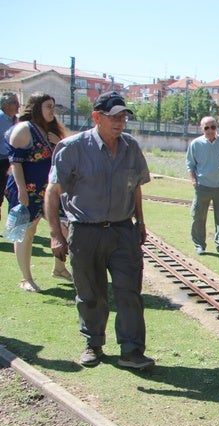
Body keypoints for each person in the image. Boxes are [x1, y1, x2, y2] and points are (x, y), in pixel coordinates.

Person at [44, 91, 155, 370]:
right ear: (97, 117)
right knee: (90, 292)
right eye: (114, 117)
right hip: (85, 232)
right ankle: (93, 344)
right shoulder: (73, 148)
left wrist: (140, 223)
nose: (120, 122)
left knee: (129, 291)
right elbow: (52, 192)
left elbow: (136, 187)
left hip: (122, 231)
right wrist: (56, 234)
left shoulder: (131, 147)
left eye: (123, 117)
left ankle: (131, 351)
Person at [5, 93, 72, 291]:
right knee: (26, 231)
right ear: (36, 108)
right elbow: (15, 163)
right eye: (48, 106)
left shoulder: (49, 131)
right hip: (28, 188)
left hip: (49, 190)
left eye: (53, 106)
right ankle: (27, 278)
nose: (53, 111)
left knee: (64, 226)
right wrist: (21, 190)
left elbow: (58, 160)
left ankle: (59, 268)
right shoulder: (24, 129)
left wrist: (56, 142)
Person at [186, 116, 219, 256]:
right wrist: (194, 181)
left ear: (216, 128)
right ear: (202, 128)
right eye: (207, 127)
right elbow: (190, 164)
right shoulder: (195, 144)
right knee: (199, 216)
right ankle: (199, 244)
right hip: (203, 186)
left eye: (213, 127)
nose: (210, 130)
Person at [0, 93, 20, 215]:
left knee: (12, 192)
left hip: (11, 161)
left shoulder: (15, 120)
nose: (18, 105)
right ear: (5, 105)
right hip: (1, 160)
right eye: (15, 102)